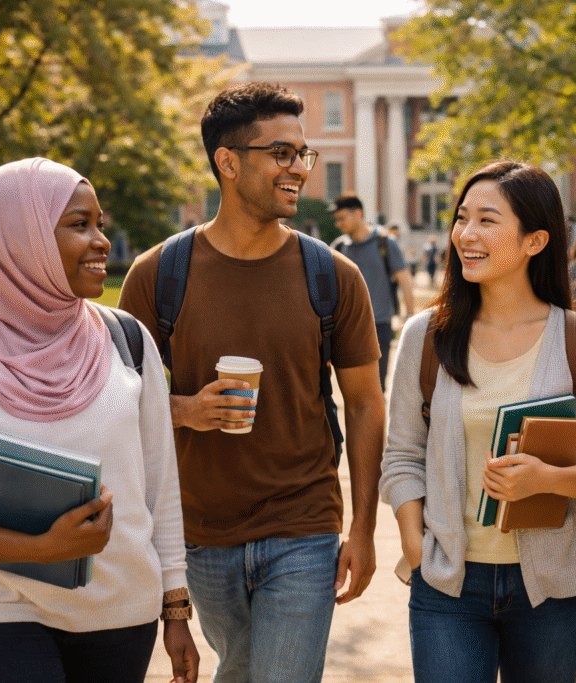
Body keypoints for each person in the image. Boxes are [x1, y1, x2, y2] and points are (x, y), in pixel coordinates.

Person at [118, 82, 384, 683]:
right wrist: (183, 410)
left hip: (304, 524)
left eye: (303, 154)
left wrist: (363, 528)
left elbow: (366, 405)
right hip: (200, 531)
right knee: (240, 670)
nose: (299, 170)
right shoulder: (159, 274)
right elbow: (116, 398)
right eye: (282, 154)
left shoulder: (332, 276)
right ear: (229, 162)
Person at [0, 158, 198, 682]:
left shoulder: (128, 343)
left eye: (99, 224)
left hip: (119, 614)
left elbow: (160, 488)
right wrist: (42, 551)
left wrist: (175, 609)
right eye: (79, 225)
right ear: (20, 239)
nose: (102, 240)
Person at [380, 160, 576, 683]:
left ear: (535, 241)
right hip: (449, 588)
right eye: (462, 218)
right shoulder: (426, 336)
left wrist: (547, 479)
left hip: (553, 590)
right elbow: (401, 457)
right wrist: (418, 550)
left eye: (487, 220)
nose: (466, 234)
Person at [330, 195, 417, 390]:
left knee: (377, 387)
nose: (338, 223)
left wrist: (409, 314)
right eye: (337, 219)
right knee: (351, 388)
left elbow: (404, 279)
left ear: (358, 213)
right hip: (347, 328)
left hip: (380, 325)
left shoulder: (385, 242)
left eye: (342, 218)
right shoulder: (339, 247)